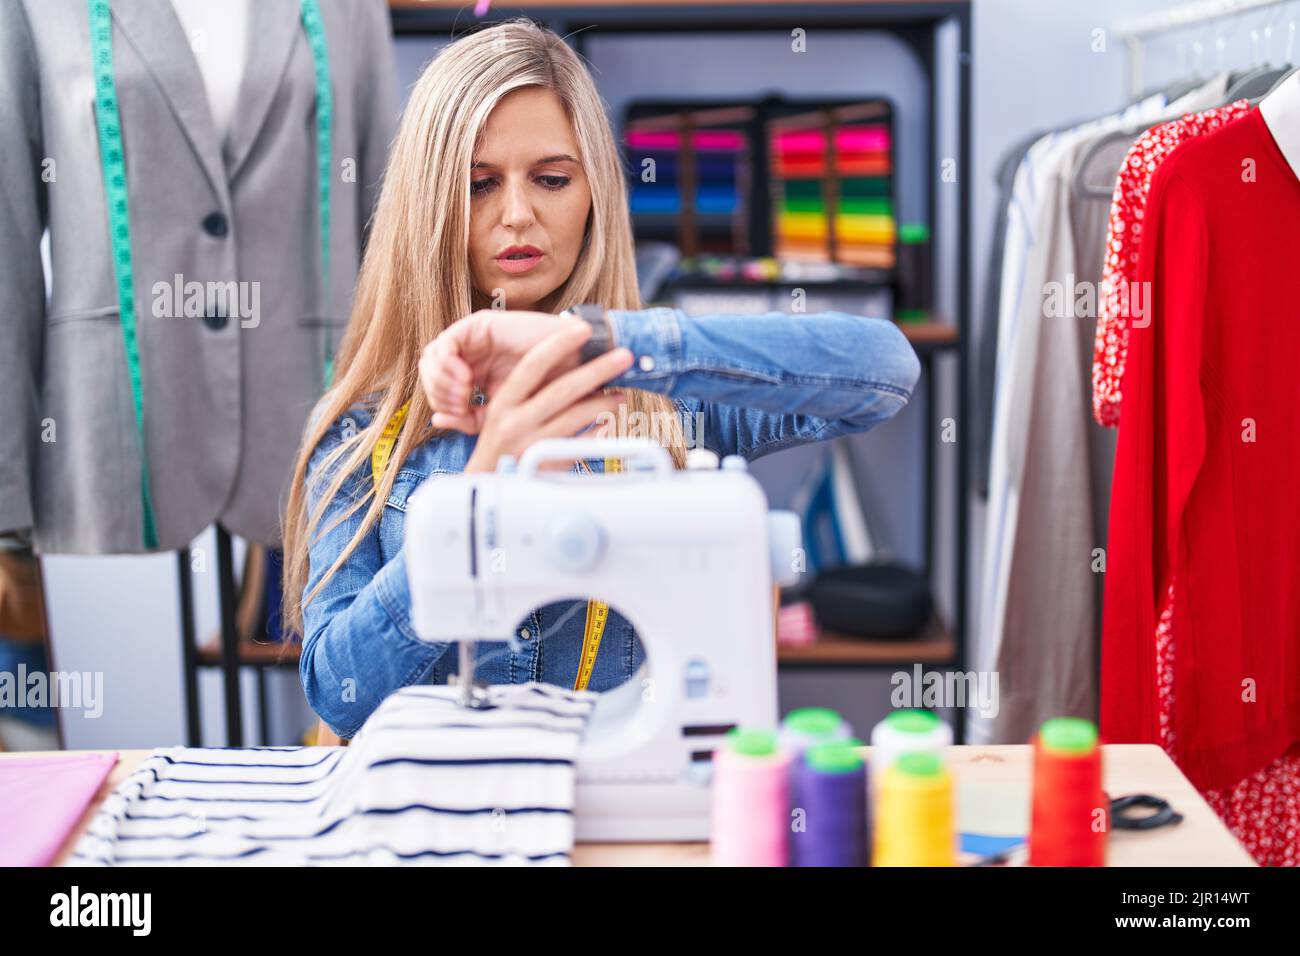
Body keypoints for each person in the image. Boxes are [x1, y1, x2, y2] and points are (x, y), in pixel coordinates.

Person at [281, 19, 921, 739]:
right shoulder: (362, 427)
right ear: (430, 203)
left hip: (614, 813)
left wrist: (601, 341)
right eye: (480, 184)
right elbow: (338, 692)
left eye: (552, 179)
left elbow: (883, 371)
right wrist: (474, 501)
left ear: (594, 192)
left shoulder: (659, 399)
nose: (518, 214)